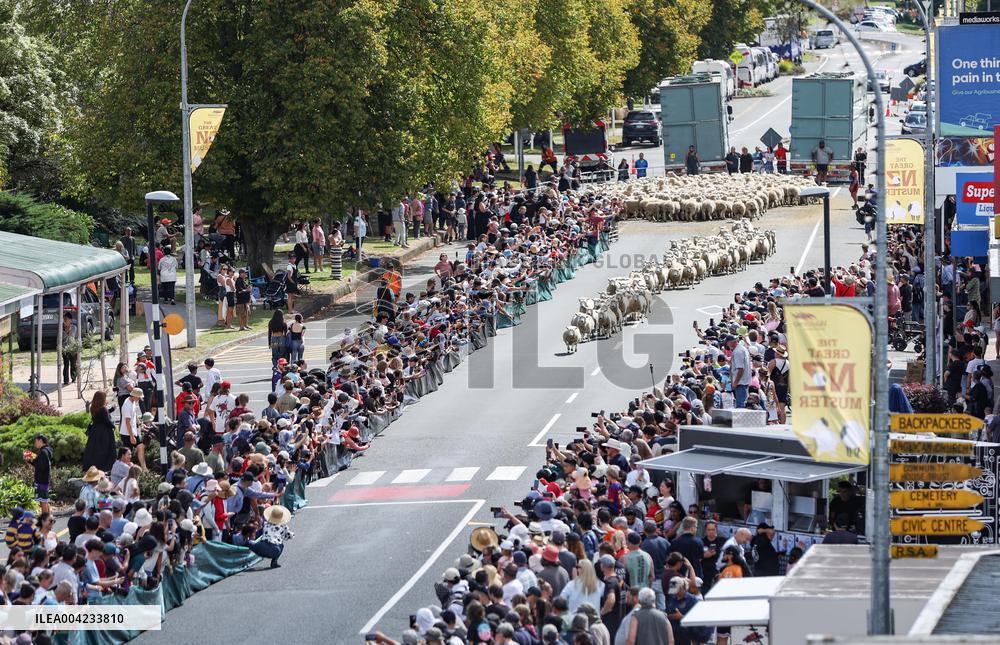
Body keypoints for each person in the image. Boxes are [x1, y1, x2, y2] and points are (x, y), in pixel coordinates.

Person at [82, 391, 116, 473]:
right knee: (106, 450)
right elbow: (107, 420)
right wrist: (113, 426)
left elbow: (102, 415)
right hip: (104, 432)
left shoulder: (93, 408)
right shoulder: (103, 409)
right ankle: (106, 468)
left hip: (95, 431)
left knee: (96, 451)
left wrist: (111, 409)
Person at [665, 578, 699, 645]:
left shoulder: (692, 600)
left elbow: (697, 619)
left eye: (676, 590)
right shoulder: (672, 598)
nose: (674, 592)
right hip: (673, 635)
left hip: (687, 636)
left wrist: (681, 617)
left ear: (681, 588)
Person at [120, 388, 146, 469]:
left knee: (141, 446)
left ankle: (144, 468)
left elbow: (134, 413)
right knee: (127, 454)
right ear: (134, 396)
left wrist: (139, 422)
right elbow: (127, 422)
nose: (139, 399)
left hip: (133, 432)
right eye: (139, 397)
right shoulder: (127, 405)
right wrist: (131, 436)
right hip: (127, 433)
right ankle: (125, 470)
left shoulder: (132, 401)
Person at [29, 434, 53, 515]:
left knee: (43, 501)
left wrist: (32, 460)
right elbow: (40, 464)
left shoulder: (43, 452)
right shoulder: (47, 450)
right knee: (45, 500)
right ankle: (49, 517)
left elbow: (40, 467)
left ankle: (45, 518)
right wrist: (31, 460)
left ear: (40, 441)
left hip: (42, 480)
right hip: (45, 479)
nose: (35, 444)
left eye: (36, 441)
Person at [60, 312, 79, 385]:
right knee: (66, 363)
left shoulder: (74, 328)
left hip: (73, 348)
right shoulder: (61, 328)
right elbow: (59, 339)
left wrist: (77, 347)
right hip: (65, 349)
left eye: (66, 319)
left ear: (70, 320)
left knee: (73, 364)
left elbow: (77, 338)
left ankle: (74, 378)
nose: (64, 320)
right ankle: (66, 380)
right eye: (64, 319)